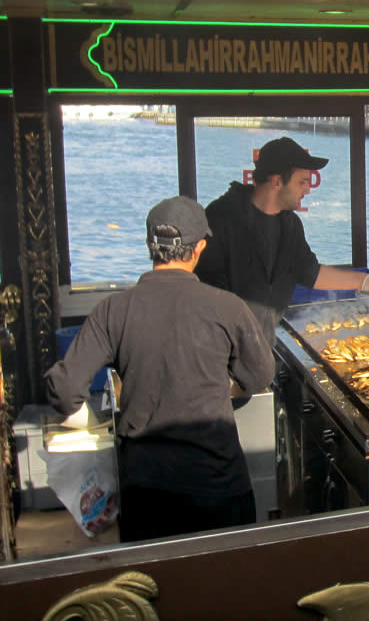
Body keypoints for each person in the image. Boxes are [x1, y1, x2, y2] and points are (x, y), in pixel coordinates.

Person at [46, 196, 276, 542]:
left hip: (146, 490)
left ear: (149, 246)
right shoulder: (228, 307)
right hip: (218, 484)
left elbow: (63, 391)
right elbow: (260, 377)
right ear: (200, 248)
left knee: (157, 589)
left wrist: (94, 422)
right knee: (227, 588)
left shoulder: (112, 311)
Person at [197, 137, 369, 346]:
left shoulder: (290, 224)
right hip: (221, 347)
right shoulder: (221, 217)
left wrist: (364, 281)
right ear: (276, 181)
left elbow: (309, 272)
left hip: (262, 344)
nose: (308, 190)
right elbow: (202, 290)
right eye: (302, 182)